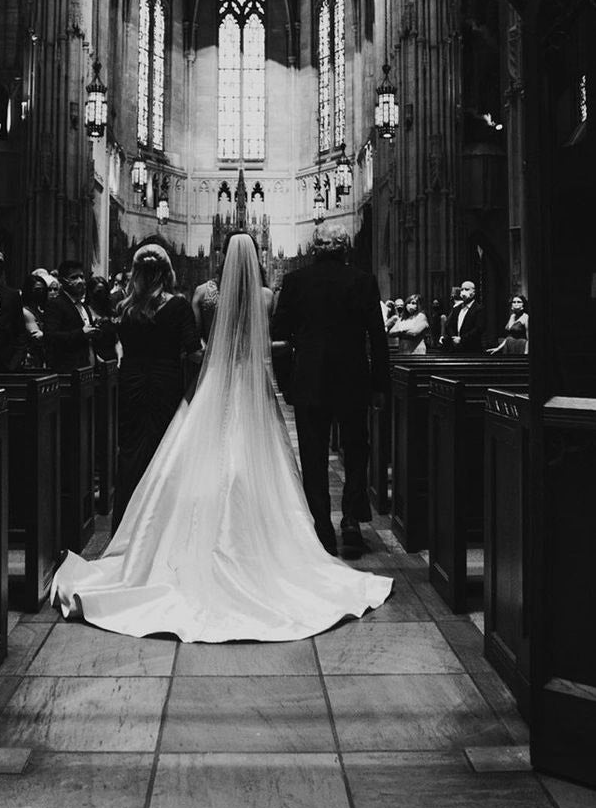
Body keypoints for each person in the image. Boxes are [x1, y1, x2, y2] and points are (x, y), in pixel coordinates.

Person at [50, 232, 391, 641]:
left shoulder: (219, 294)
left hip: (239, 381)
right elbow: (290, 338)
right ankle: (338, 525)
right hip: (291, 382)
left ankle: (317, 527)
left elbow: (205, 342)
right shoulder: (273, 294)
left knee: (264, 455)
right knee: (315, 454)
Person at [271, 221, 391, 558]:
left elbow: (279, 338)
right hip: (353, 378)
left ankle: (322, 527)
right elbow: (378, 340)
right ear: (345, 248)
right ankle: (351, 519)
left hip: (309, 380)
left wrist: (286, 383)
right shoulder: (363, 281)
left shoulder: (295, 282)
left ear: (315, 248)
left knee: (313, 456)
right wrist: (380, 384)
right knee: (356, 448)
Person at [111, 244, 199, 530]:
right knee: (165, 449)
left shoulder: (124, 309)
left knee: (131, 450)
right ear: (167, 272)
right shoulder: (178, 305)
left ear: (135, 273)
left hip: (132, 383)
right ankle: (162, 528)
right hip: (165, 383)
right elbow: (192, 350)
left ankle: (126, 525)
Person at [192, 235, 274, 346]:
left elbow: (196, 340)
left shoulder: (201, 292)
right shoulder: (265, 296)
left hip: (213, 361)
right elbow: (265, 341)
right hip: (250, 362)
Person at [45, 261, 97, 372]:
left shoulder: (84, 306)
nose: (80, 281)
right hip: (68, 371)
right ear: (62, 281)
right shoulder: (56, 304)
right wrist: (81, 333)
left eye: (81, 277)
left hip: (87, 368)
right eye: (74, 277)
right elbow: (51, 337)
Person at [439, 278, 485, 352]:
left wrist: (461, 339)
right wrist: (453, 338)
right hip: (455, 348)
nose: (463, 292)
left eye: (466, 289)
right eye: (462, 289)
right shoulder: (457, 308)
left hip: (471, 349)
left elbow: (478, 329)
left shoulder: (479, 309)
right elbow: (449, 325)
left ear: (473, 292)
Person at [85, 275, 120, 364]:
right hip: (93, 359)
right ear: (90, 292)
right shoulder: (85, 312)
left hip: (112, 360)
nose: (102, 295)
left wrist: (119, 359)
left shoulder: (111, 313)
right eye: (98, 292)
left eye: (104, 292)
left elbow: (117, 340)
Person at [20, 269, 51, 368]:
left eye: (43, 290)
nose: (41, 293)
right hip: (30, 359)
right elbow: (36, 336)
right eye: (37, 290)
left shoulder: (39, 310)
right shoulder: (26, 312)